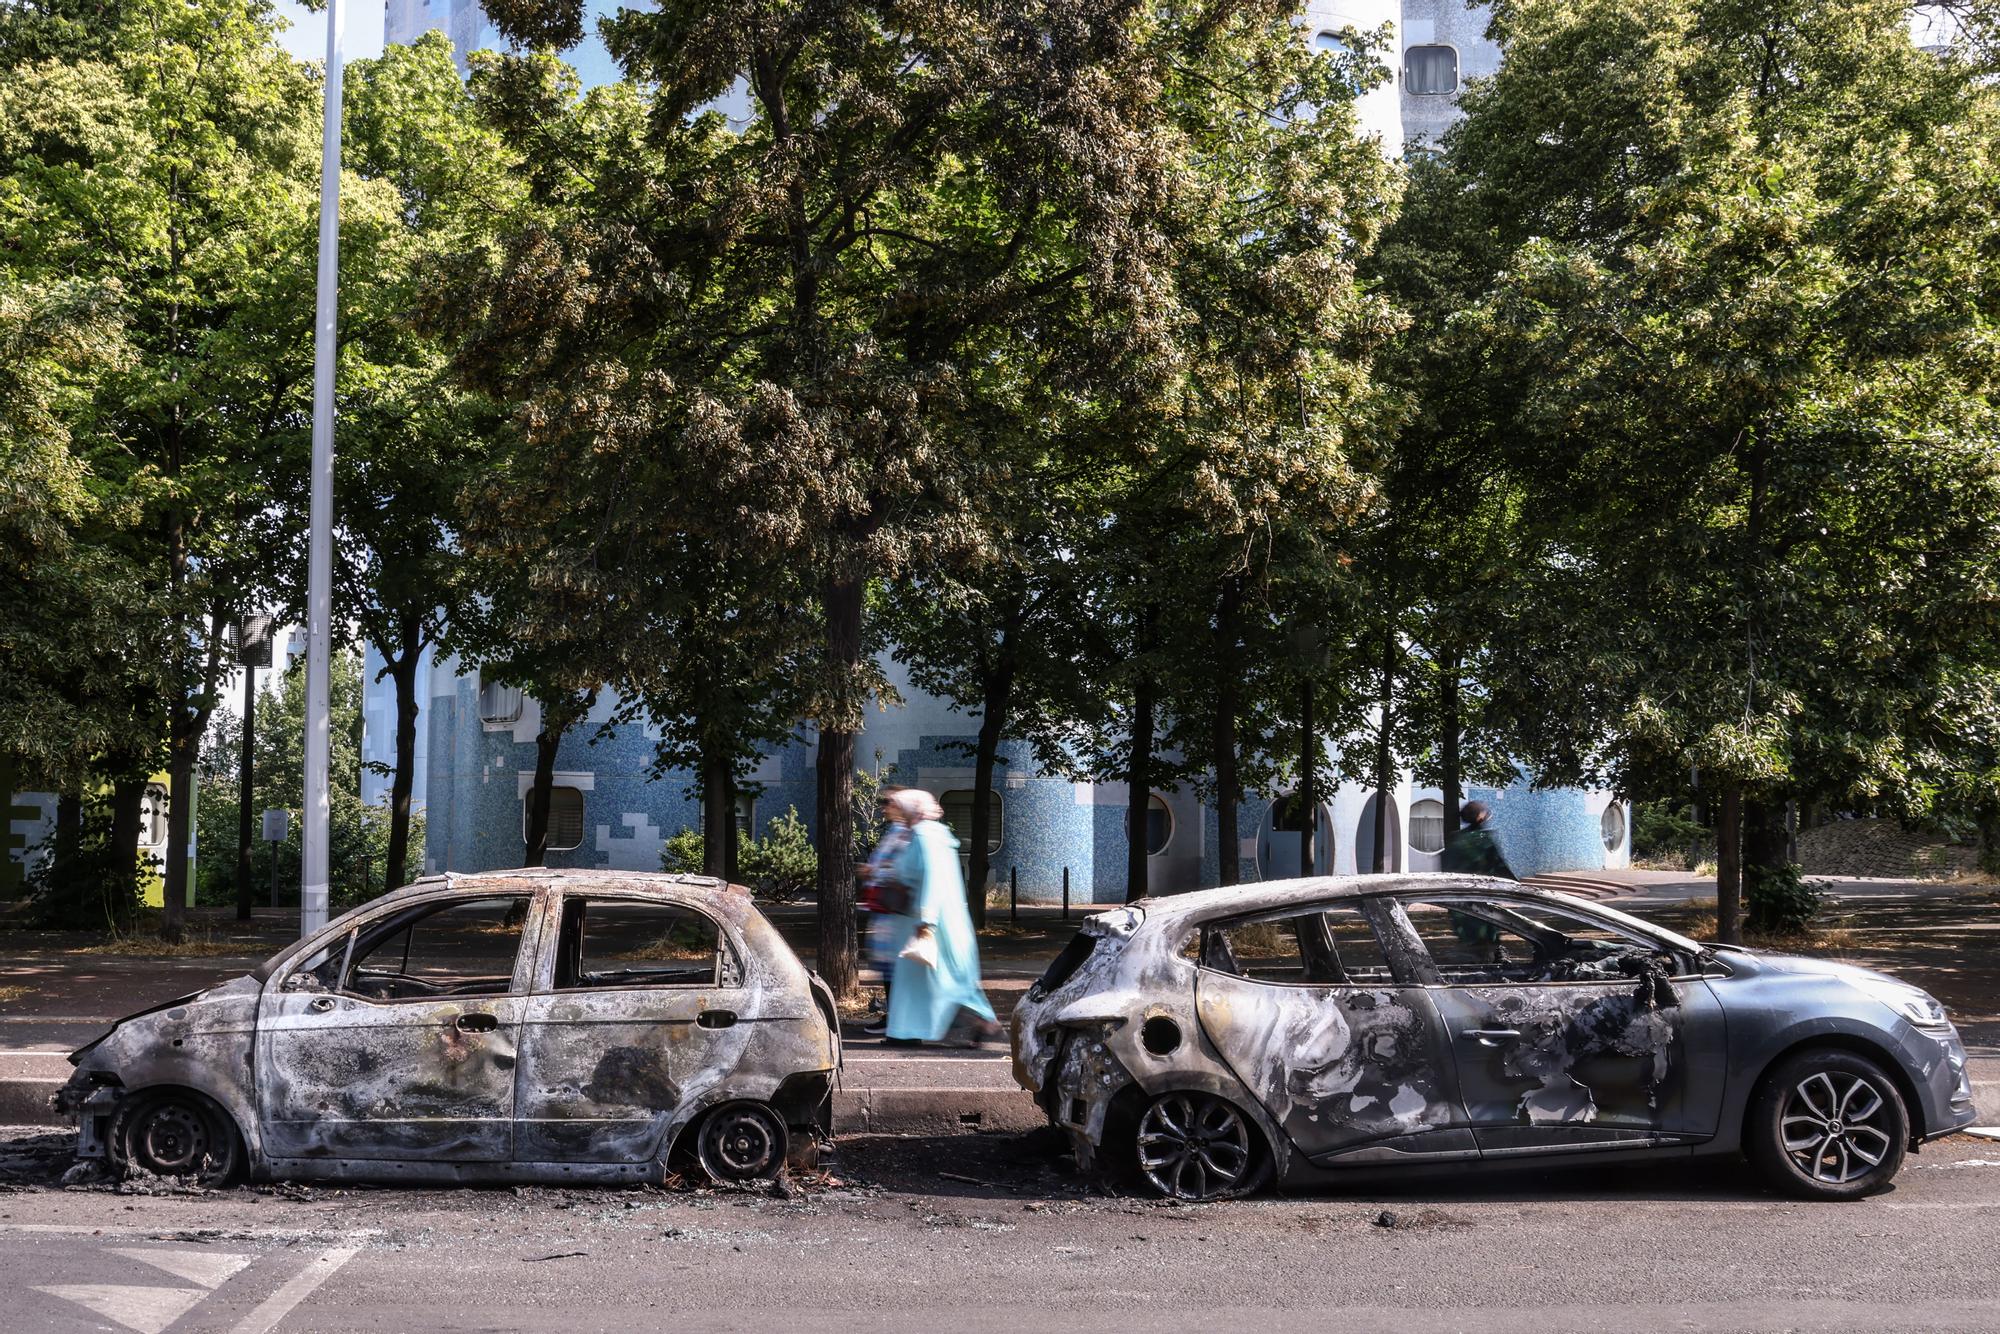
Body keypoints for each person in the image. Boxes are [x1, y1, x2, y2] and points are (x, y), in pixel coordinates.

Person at [883, 788, 1002, 1048]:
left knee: (934, 979)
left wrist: (926, 920)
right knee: (944, 978)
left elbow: (932, 880)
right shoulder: (936, 835)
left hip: (926, 922)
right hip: (940, 921)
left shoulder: (924, 837)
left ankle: (907, 1031)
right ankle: (980, 1022)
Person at [858, 790, 915, 1037]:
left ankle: (896, 1018)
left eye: (889, 802)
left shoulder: (904, 835)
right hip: (885, 909)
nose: (884, 807)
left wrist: (874, 872)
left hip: (894, 911)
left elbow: (898, 869)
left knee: (893, 965)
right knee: (887, 964)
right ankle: (894, 1016)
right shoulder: (895, 833)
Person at [1441, 800, 1517, 880]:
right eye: (1484, 812)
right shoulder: (1484, 840)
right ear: (1480, 817)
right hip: (1478, 888)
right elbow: (1500, 869)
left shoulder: (1455, 837)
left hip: (1455, 886)